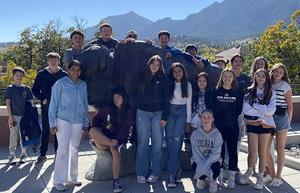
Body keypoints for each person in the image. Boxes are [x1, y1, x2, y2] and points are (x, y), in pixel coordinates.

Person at [49, 60, 89, 191]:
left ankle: (73, 177)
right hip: (63, 120)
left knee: (75, 149)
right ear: (68, 69)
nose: (75, 72)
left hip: (78, 121)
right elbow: (53, 103)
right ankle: (58, 180)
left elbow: (84, 103)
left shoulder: (83, 84)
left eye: (78, 70)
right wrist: (52, 123)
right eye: (73, 69)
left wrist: (85, 122)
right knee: (63, 150)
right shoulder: (60, 83)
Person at [89, 86, 133, 193]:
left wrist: (117, 141)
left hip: (119, 140)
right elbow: (95, 122)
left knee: (116, 151)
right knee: (93, 131)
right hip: (106, 140)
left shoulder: (128, 111)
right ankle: (112, 144)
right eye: (114, 98)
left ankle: (116, 181)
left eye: (118, 97)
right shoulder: (107, 109)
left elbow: (125, 129)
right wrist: (99, 131)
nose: (116, 100)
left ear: (123, 97)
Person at [239, 69, 276, 190]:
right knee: (252, 151)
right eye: (258, 75)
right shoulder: (249, 91)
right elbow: (245, 110)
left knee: (262, 152)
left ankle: (260, 177)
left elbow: (271, 111)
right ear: (254, 77)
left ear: (266, 78)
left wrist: (254, 106)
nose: (260, 78)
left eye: (263, 76)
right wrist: (262, 109)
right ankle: (250, 171)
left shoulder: (271, 92)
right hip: (252, 123)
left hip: (266, 125)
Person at [135, 55, 169, 184]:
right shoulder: (141, 76)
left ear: (160, 66)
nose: (155, 66)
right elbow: (135, 93)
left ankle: (155, 172)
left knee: (157, 144)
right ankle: (141, 172)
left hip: (158, 114)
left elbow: (166, 99)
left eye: (157, 64)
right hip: (142, 113)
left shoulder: (163, 79)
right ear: (149, 63)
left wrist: (165, 117)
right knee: (142, 143)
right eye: (153, 63)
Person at [207, 68, 243, 189]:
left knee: (233, 152)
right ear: (222, 77)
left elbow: (238, 110)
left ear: (233, 79)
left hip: (232, 126)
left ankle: (231, 178)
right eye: (225, 76)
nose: (227, 79)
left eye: (230, 77)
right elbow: (211, 107)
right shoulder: (215, 92)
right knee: (219, 152)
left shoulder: (238, 93)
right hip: (219, 126)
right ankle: (219, 177)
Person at [32, 52, 68, 164]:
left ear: (59, 61)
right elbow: (35, 90)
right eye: (51, 59)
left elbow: (68, 90)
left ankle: (58, 154)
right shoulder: (42, 74)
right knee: (46, 130)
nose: (53, 61)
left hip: (60, 108)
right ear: (48, 61)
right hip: (47, 107)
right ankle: (43, 154)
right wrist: (42, 98)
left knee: (59, 131)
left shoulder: (64, 75)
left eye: (55, 59)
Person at [165, 63, 192, 188]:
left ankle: (170, 176)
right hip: (170, 113)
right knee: (171, 143)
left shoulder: (188, 85)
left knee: (176, 141)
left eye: (179, 71)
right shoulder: (169, 84)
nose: (177, 73)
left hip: (182, 113)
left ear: (183, 72)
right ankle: (177, 172)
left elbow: (189, 105)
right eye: (174, 71)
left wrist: (188, 122)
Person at [267, 63, 293, 188]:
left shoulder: (285, 85)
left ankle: (278, 176)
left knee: (280, 148)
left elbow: (290, 106)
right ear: (272, 71)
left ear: (283, 75)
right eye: (276, 71)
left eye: (280, 72)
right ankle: (271, 173)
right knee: (266, 148)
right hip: (269, 118)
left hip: (282, 118)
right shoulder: (268, 84)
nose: (277, 73)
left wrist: (288, 123)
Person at [5, 67, 34, 164]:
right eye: (17, 75)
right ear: (13, 76)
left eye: (21, 75)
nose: (19, 77)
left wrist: (30, 117)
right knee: (13, 135)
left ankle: (23, 154)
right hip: (14, 116)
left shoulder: (27, 89)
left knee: (24, 136)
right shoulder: (10, 88)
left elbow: (30, 103)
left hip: (24, 117)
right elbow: (8, 103)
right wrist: (10, 117)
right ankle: (12, 154)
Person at [191, 109, 223, 193]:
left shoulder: (217, 135)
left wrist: (202, 170)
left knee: (216, 165)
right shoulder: (195, 134)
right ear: (200, 119)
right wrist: (204, 169)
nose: (206, 119)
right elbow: (196, 155)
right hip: (199, 160)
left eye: (208, 117)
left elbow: (215, 155)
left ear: (212, 119)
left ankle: (212, 181)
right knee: (195, 164)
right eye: (203, 117)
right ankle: (202, 179)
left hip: (213, 161)